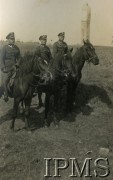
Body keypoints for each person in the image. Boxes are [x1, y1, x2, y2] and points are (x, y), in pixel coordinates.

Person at [0, 32, 21, 102]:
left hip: (15, 67)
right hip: (7, 68)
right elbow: (1, 58)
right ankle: (5, 94)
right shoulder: (4, 48)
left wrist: (17, 64)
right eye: (11, 39)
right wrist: (3, 67)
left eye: (14, 39)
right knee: (4, 80)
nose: (13, 40)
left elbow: (20, 57)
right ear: (8, 40)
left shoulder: (16, 48)